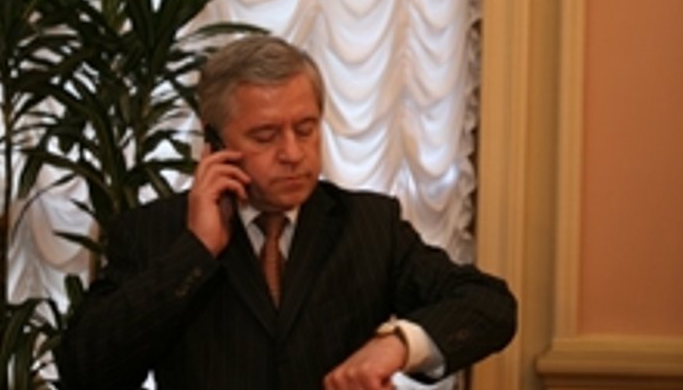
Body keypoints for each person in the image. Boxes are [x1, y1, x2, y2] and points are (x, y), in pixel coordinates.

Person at [56, 34, 517, 390]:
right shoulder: (152, 232)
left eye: (306, 129)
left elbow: (489, 306)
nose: (293, 153)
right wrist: (195, 252)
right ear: (213, 141)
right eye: (265, 136)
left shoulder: (369, 224)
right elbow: (84, 369)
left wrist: (397, 344)